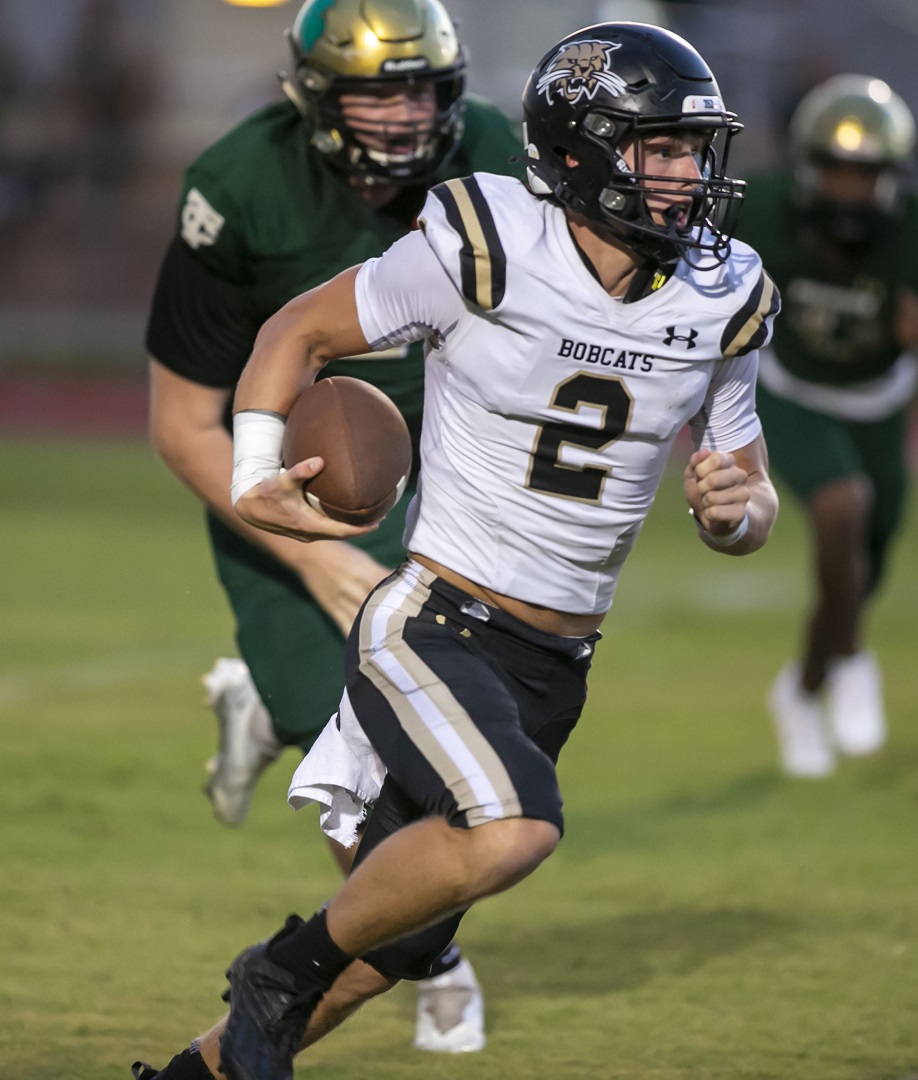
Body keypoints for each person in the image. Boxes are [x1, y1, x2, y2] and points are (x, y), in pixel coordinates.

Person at [132, 21, 780, 1080]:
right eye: (657, 148)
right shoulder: (486, 243)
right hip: (439, 619)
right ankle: (276, 968)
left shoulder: (728, 292)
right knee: (514, 832)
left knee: (391, 947)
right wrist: (256, 471)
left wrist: (731, 512)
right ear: (579, 154)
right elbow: (297, 330)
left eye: (693, 149)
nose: (685, 175)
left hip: (558, 662)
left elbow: (749, 501)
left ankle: (195, 1074)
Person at [146, 0, 523, 1053]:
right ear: (315, 95)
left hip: (450, 485)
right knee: (367, 780)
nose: (406, 116)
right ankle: (432, 954)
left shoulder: (494, 151)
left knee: (465, 762)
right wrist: (318, 560)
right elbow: (182, 425)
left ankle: (265, 711)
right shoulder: (238, 187)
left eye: (422, 87)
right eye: (376, 89)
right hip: (275, 487)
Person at [734, 75, 918, 778]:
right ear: (809, 169)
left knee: (859, 573)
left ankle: (803, 690)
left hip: (878, 399)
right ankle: (850, 659)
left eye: (865, 175)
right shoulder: (769, 209)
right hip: (789, 389)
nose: (849, 191)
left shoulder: (909, 229)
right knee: (843, 506)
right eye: (837, 172)